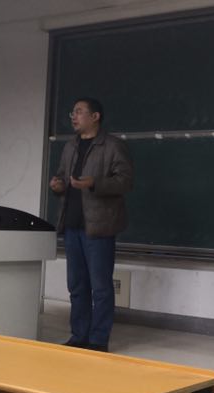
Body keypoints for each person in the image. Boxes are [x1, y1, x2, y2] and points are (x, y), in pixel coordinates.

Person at [49, 97, 132, 352]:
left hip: (99, 227)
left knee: (101, 287)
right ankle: (79, 336)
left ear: (95, 117)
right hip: (72, 225)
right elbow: (63, 176)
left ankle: (98, 340)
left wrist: (94, 183)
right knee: (77, 286)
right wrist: (57, 185)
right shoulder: (70, 146)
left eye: (79, 112)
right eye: (72, 112)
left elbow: (125, 181)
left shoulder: (112, 145)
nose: (73, 116)